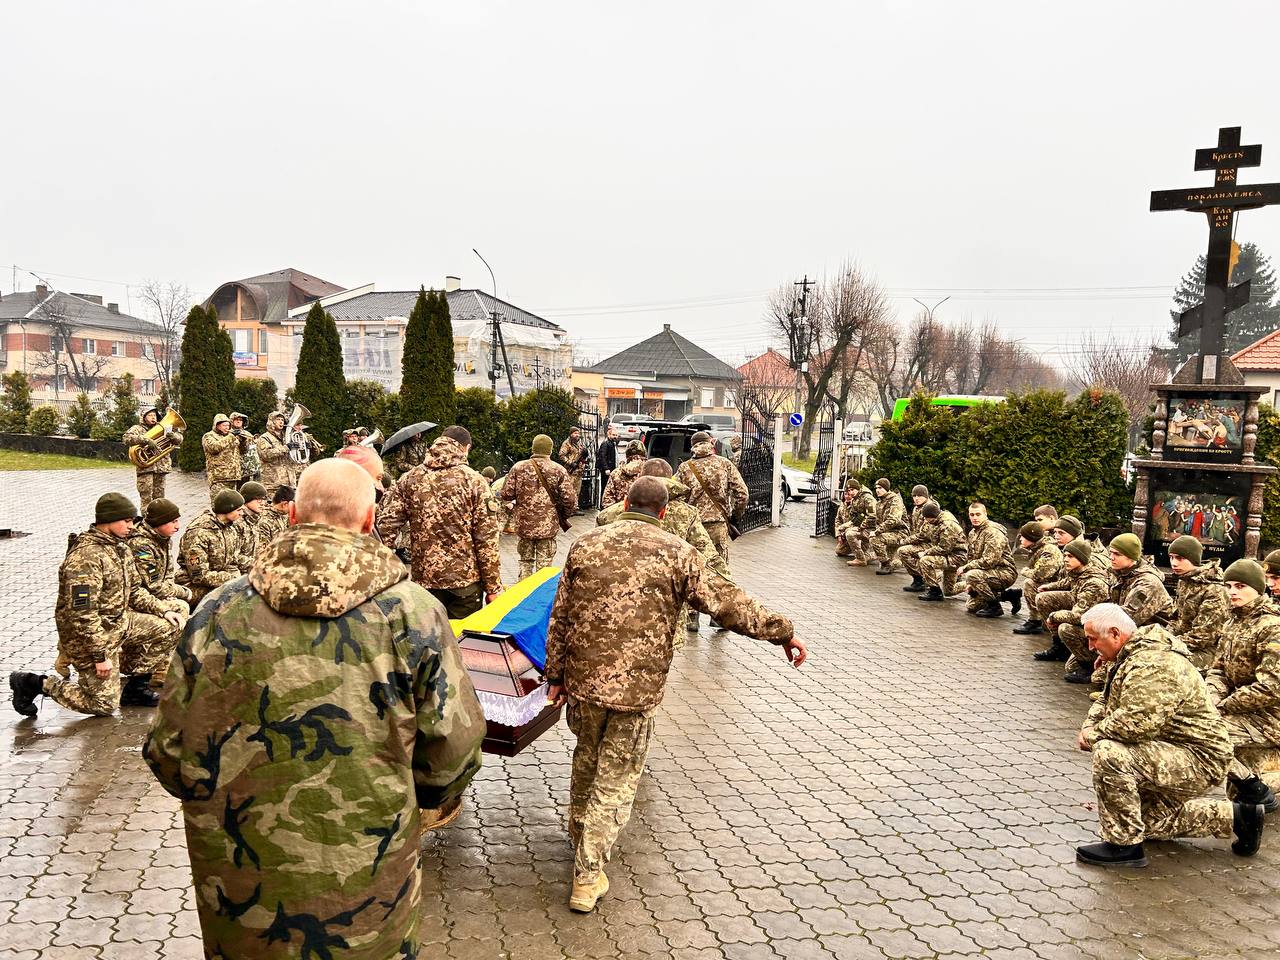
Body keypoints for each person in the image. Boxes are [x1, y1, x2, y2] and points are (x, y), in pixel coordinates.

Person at [143, 458, 486, 959]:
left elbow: (168, 749)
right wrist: (412, 799)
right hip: (370, 887)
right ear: (370, 520)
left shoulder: (217, 609)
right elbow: (451, 752)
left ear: (292, 517)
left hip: (240, 891)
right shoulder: (414, 613)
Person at [545, 476, 806, 912]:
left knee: (586, 761)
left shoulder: (586, 545)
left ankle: (580, 836)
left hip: (583, 682)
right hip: (637, 688)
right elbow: (728, 602)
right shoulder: (677, 553)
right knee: (617, 779)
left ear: (625, 502)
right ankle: (587, 875)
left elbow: (560, 614)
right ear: (664, 511)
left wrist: (555, 673)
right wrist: (783, 632)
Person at [1074, 604, 1260, 868]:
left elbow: (1135, 724)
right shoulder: (1130, 656)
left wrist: (1093, 736)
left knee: (1110, 752)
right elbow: (1106, 701)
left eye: (1093, 639)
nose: (1091, 647)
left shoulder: (1153, 664)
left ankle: (1125, 847)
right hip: (1172, 749)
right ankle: (1238, 817)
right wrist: (1088, 726)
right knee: (1146, 823)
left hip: (1198, 758)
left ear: (1115, 634)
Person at [10, 493, 184, 718]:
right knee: (103, 706)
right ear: (108, 520)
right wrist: (100, 656)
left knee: (171, 626)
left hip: (117, 623)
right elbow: (83, 615)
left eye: (133, 521)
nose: (132, 526)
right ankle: (34, 683)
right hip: (88, 637)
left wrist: (165, 610)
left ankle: (136, 688)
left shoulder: (119, 548)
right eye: (127, 521)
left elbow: (135, 590)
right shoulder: (86, 557)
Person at [377, 425, 504, 618]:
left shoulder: (409, 479)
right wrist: (493, 586)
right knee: (461, 643)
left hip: (425, 584)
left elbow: (386, 526)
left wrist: (384, 575)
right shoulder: (475, 481)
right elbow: (486, 539)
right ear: (466, 447)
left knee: (428, 642)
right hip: (465, 585)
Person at [597, 458, 732, 636]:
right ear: (671, 479)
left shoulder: (610, 514)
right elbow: (709, 557)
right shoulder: (686, 513)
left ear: (640, 478)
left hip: (618, 603)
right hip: (666, 604)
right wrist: (729, 589)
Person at [1207, 559, 1280, 815]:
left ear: (1259, 589)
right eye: (1228, 586)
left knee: (1203, 733)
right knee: (1200, 723)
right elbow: (1218, 670)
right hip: (1241, 710)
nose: (1232, 592)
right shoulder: (1233, 623)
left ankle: (1254, 786)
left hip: (1269, 717)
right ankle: (1251, 784)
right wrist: (1210, 697)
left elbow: (1272, 687)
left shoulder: (1273, 627)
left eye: (1240, 585)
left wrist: (1224, 707)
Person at [1097, 533, 1176, 685]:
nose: (1112, 558)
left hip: (1154, 634)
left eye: (1117, 554)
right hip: (1134, 629)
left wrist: (1104, 648)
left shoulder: (1147, 582)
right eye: (1111, 553)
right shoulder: (1122, 573)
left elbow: (1126, 619)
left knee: (1100, 679)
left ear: (1131, 557)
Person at [676, 431, 748, 578]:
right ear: (710, 443)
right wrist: (735, 516)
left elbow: (676, 495)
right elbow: (742, 494)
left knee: (694, 569)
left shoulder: (684, 468)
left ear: (693, 446)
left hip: (693, 525)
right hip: (718, 524)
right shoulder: (725, 464)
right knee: (719, 570)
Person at [502, 434, 574, 580]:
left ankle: (523, 592)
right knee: (545, 566)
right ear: (550, 450)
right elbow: (570, 499)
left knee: (525, 562)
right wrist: (564, 515)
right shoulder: (558, 469)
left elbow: (506, 494)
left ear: (533, 448)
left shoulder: (518, 468)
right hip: (547, 526)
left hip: (524, 525)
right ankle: (540, 595)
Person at [1038, 540, 1110, 670]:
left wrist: (1054, 616)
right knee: (1044, 598)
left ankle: (1089, 664)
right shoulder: (1079, 571)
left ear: (1081, 558)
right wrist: (1049, 586)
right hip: (1080, 606)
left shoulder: (1094, 583)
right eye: (1065, 555)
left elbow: (1079, 616)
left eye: (1070, 556)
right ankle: (1059, 647)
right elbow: (1068, 582)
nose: (1065, 559)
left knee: (1065, 629)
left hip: (1096, 624)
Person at [1166, 534, 1230, 672]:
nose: (1174, 563)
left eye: (1180, 558)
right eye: (1171, 557)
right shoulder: (1185, 581)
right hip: (1184, 643)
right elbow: (1176, 619)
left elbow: (1204, 636)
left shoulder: (1214, 590)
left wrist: (1169, 644)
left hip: (1209, 652)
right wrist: (1164, 636)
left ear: (1193, 559)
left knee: (1164, 664)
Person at [178, 489, 248, 607]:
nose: (242, 513)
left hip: (219, 580)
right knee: (237, 599)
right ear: (227, 509)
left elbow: (233, 561)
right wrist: (233, 580)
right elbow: (198, 575)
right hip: (193, 586)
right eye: (239, 510)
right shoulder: (199, 532)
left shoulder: (229, 527)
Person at [956, 501, 1018, 617]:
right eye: (972, 515)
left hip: (1004, 572)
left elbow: (990, 561)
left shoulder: (993, 532)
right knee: (972, 606)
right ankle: (1010, 595)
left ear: (985, 514)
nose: (975, 518)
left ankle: (995, 607)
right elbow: (971, 558)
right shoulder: (973, 533)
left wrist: (967, 570)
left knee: (972, 575)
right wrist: (972, 584)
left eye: (978, 514)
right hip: (986, 572)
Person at [122, 406, 182, 509]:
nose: (153, 418)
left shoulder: (164, 427)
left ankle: (159, 522)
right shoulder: (138, 428)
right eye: (150, 415)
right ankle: (146, 523)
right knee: (146, 499)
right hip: (145, 470)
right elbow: (126, 438)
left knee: (160, 500)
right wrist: (146, 440)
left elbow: (179, 438)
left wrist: (174, 437)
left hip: (161, 469)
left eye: (154, 415)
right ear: (143, 417)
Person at [1012, 521, 1064, 636]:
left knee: (1030, 583)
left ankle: (1035, 621)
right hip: (1052, 585)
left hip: (1058, 587)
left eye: (1023, 536)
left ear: (1031, 538)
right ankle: (1038, 620)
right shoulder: (1038, 548)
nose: (1020, 539)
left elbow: (1040, 575)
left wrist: (1025, 571)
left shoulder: (1048, 550)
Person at [916, 502, 968, 601]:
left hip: (956, 557)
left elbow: (944, 548)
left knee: (925, 561)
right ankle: (972, 584)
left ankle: (934, 591)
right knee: (949, 591)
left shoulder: (947, 525)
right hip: (950, 555)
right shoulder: (937, 521)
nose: (925, 520)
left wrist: (926, 552)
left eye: (926, 518)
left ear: (932, 516)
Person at [896, 485, 934, 592]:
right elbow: (915, 530)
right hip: (920, 542)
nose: (916, 498)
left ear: (926, 496)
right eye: (914, 496)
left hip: (930, 544)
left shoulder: (930, 509)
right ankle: (919, 579)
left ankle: (920, 580)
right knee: (903, 554)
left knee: (903, 551)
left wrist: (905, 540)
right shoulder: (916, 508)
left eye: (920, 496)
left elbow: (924, 534)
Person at [868, 478, 909, 575]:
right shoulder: (879, 503)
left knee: (875, 539)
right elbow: (878, 521)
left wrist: (877, 532)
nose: (877, 490)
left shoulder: (895, 500)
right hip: (889, 533)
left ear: (886, 488)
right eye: (876, 488)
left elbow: (893, 520)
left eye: (880, 488)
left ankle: (886, 564)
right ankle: (898, 563)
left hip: (900, 533)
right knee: (893, 563)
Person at [202, 413, 241, 504]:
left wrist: (243, 441)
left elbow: (243, 450)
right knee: (219, 504)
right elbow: (214, 448)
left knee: (231, 505)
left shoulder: (230, 436)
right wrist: (231, 437)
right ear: (217, 426)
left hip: (233, 476)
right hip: (219, 477)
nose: (227, 428)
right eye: (224, 425)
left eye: (228, 425)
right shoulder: (209, 436)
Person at [232, 481, 268, 571]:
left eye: (264, 499)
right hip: (239, 572)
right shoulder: (237, 522)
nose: (263, 503)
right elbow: (233, 556)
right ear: (247, 499)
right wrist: (258, 564)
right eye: (259, 499)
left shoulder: (257, 519)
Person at [256, 411, 293, 498]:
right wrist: (286, 448)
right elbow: (265, 455)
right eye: (278, 420)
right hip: (272, 483)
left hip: (289, 481)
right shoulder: (264, 438)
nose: (281, 422)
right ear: (271, 422)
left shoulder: (287, 437)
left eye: (282, 420)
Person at [601, 440, 647, 509]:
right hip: (646, 517)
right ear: (644, 453)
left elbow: (606, 501)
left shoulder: (616, 473)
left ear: (627, 454)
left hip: (620, 516)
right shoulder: (651, 471)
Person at [844, 480, 879, 568]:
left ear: (858, 489)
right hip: (864, 527)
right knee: (847, 531)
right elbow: (854, 517)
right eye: (849, 490)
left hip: (872, 529)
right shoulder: (855, 499)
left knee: (850, 534)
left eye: (852, 490)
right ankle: (871, 556)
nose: (851, 492)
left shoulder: (867, 498)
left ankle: (860, 559)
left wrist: (861, 526)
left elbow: (873, 516)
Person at [254, 486, 293, 558]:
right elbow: (263, 552)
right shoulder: (265, 521)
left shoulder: (283, 516)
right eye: (292, 506)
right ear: (285, 504)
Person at [558, 427, 588, 515]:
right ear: (571, 434)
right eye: (575, 433)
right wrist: (570, 463)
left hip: (578, 471)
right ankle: (567, 509)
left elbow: (582, 456)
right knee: (569, 490)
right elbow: (561, 455)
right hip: (570, 471)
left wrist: (585, 459)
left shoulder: (579, 444)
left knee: (576, 491)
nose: (577, 435)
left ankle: (575, 508)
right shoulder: (567, 444)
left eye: (578, 433)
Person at [229, 411, 260, 489]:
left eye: (241, 420)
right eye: (236, 419)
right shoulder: (228, 433)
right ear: (232, 421)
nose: (239, 421)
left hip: (248, 467)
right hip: (234, 467)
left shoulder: (247, 433)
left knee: (245, 489)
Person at [833, 485, 860, 558]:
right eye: (845, 494)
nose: (847, 496)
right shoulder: (842, 506)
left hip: (855, 532)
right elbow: (838, 520)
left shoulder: (856, 505)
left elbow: (856, 521)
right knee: (839, 551)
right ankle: (854, 549)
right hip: (844, 534)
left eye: (849, 494)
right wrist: (838, 535)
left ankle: (868, 552)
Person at [596, 436, 618, 504]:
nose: (615, 436)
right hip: (607, 471)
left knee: (610, 488)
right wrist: (606, 468)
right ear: (609, 435)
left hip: (612, 470)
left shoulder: (612, 444)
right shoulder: (605, 444)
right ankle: (602, 504)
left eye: (616, 435)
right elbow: (602, 456)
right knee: (605, 488)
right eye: (613, 435)